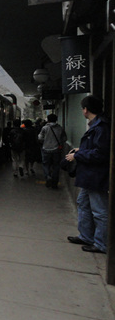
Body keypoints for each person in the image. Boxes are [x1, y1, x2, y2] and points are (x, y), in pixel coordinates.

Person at [65, 95, 110, 254]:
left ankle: (101, 244)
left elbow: (101, 155)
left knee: (99, 210)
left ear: (86, 109)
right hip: (89, 176)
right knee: (83, 204)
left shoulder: (101, 127)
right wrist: (80, 150)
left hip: (96, 176)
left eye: (82, 108)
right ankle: (86, 236)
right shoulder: (97, 126)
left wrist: (77, 155)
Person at [38, 114, 67, 188]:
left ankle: (48, 177)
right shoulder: (60, 128)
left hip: (46, 149)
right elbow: (64, 138)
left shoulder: (44, 128)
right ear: (56, 119)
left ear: (48, 120)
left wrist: (46, 141)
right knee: (56, 166)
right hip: (57, 150)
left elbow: (40, 138)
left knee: (46, 164)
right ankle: (54, 182)